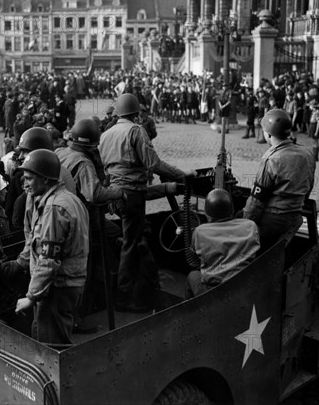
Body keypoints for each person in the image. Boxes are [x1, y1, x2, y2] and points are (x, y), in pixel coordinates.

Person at [99, 93, 196, 312]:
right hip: (132, 196)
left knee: (130, 241)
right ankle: (124, 297)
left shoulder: (106, 134)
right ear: (135, 113)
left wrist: (166, 188)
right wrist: (182, 175)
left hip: (115, 193)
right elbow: (154, 164)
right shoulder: (136, 131)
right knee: (131, 245)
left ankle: (134, 289)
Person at [14, 149, 89, 345]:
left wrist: (31, 297)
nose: (25, 184)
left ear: (46, 179)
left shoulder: (54, 208)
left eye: (30, 178)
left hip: (57, 289)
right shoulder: (69, 199)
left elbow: (48, 259)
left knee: (52, 350)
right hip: (64, 286)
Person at [57, 119, 125, 333]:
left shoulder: (61, 152)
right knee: (83, 268)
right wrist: (118, 192)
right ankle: (77, 317)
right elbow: (93, 194)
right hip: (83, 220)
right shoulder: (83, 162)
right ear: (92, 145)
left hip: (62, 216)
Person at [243, 109, 316, 251]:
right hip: (294, 214)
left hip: (273, 220)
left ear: (268, 134)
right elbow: (308, 187)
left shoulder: (270, 159)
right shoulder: (307, 154)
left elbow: (256, 202)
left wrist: (243, 225)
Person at [185, 189, 260, 298]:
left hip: (213, 290)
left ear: (207, 214)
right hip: (244, 284)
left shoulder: (200, 232)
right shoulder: (251, 226)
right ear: (232, 210)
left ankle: (189, 311)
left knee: (192, 276)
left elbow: (194, 259)